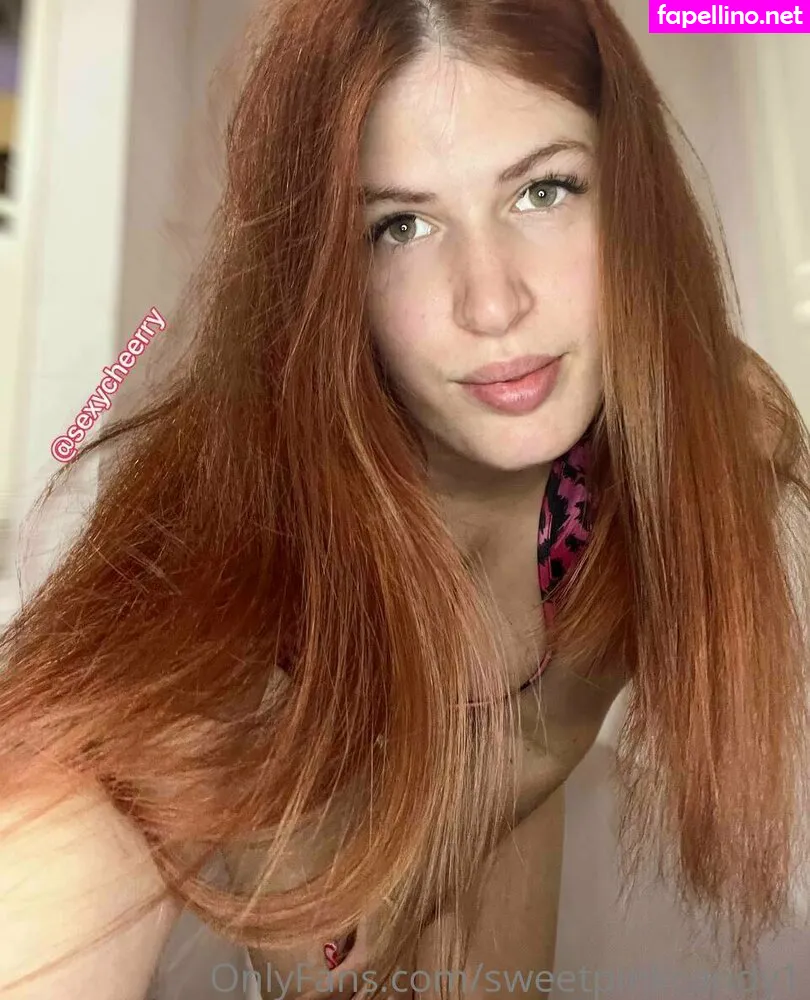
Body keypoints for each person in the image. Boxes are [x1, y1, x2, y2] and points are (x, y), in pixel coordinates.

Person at [1, 0, 809, 997]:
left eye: (543, 190)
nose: (492, 301)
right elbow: (85, 819)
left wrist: (504, 777)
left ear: (631, 189)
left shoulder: (706, 426)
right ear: (326, 270)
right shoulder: (241, 546)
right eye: (402, 225)